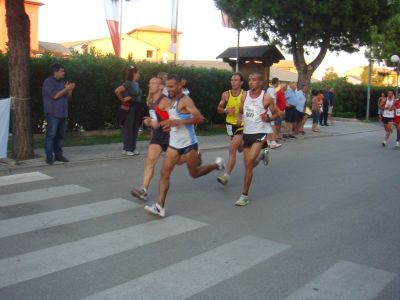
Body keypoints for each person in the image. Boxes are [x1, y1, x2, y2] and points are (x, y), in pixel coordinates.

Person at [144, 74, 224, 217]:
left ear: (180, 86)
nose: (169, 89)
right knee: (164, 173)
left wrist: (179, 123)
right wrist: (168, 125)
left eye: (172, 86)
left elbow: (199, 118)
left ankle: (215, 166)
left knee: (194, 173)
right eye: (167, 86)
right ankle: (159, 207)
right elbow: (173, 118)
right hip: (174, 144)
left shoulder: (185, 101)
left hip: (189, 144)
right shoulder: (170, 100)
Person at [235, 73, 277, 207]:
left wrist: (269, 118)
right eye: (249, 80)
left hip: (260, 132)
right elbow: (241, 110)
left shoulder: (267, 98)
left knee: (249, 162)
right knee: (249, 165)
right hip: (247, 133)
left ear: (260, 83)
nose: (251, 82)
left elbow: (277, 114)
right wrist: (239, 117)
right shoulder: (244, 95)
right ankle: (263, 156)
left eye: (254, 80)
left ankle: (244, 195)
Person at [130, 77, 171, 201]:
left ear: (160, 87)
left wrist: (167, 124)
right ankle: (143, 190)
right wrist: (149, 121)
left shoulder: (165, 101)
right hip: (158, 137)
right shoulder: (151, 100)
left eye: (154, 83)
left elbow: (175, 116)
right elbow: (155, 120)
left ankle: (194, 154)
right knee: (150, 162)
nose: (150, 85)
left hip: (171, 137)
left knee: (181, 161)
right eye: (149, 83)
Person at [42, 63, 75, 165]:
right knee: (51, 135)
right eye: (61, 71)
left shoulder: (63, 81)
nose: (63, 72)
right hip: (52, 113)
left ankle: (59, 155)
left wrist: (70, 91)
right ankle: (49, 157)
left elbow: (68, 98)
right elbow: (55, 96)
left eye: (63, 71)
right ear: (55, 72)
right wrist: (66, 89)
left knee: (60, 136)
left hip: (63, 113)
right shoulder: (48, 82)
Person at [216, 72, 245, 186]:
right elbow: (219, 108)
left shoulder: (245, 95)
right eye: (232, 80)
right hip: (229, 125)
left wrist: (240, 116)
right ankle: (259, 155)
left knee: (232, 149)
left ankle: (225, 176)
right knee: (240, 149)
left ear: (241, 82)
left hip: (241, 125)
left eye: (236, 80)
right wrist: (225, 110)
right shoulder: (225, 94)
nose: (233, 82)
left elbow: (250, 110)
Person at [115, 66, 142, 156]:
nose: (139, 75)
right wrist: (122, 99)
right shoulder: (128, 83)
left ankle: (132, 148)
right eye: (138, 73)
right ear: (134, 73)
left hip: (137, 107)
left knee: (135, 128)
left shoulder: (136, 84)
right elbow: (117, 91)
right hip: (129, 108)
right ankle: (127, 149)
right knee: (128, 128)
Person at [266, 77, 282, 148]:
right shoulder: (271, 89)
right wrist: (278, 111)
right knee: (272, 126)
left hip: (270, 110)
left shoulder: (271, 89)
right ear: (276, 82)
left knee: (269, 126)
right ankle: (273, 141)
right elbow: (272, 102)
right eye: (278, 82)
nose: (279, 83)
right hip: (270, 111)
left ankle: (268, 141)